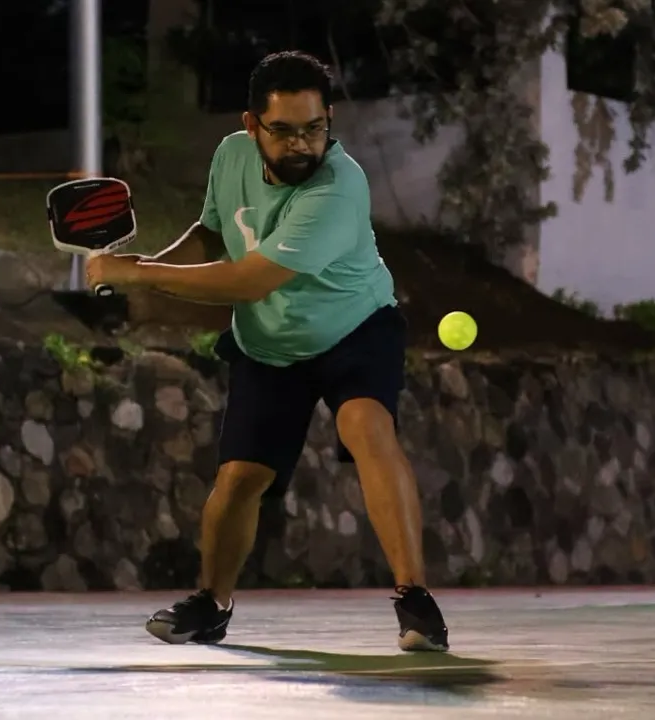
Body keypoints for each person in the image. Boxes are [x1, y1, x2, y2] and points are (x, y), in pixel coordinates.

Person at [86, 50, 449, 653]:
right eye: (282, 130)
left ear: (329, 121)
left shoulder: (339, 186)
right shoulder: (231, 156)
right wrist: (145, 268)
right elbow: (210, 234)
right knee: (239, 478)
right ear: (252, 125)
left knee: (366, 427)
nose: (301, 143)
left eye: (314, 128)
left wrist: (139, 275)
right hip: (269, 343)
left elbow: (249, 279)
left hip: (356, 328)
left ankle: (417, 602)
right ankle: (211, 604)